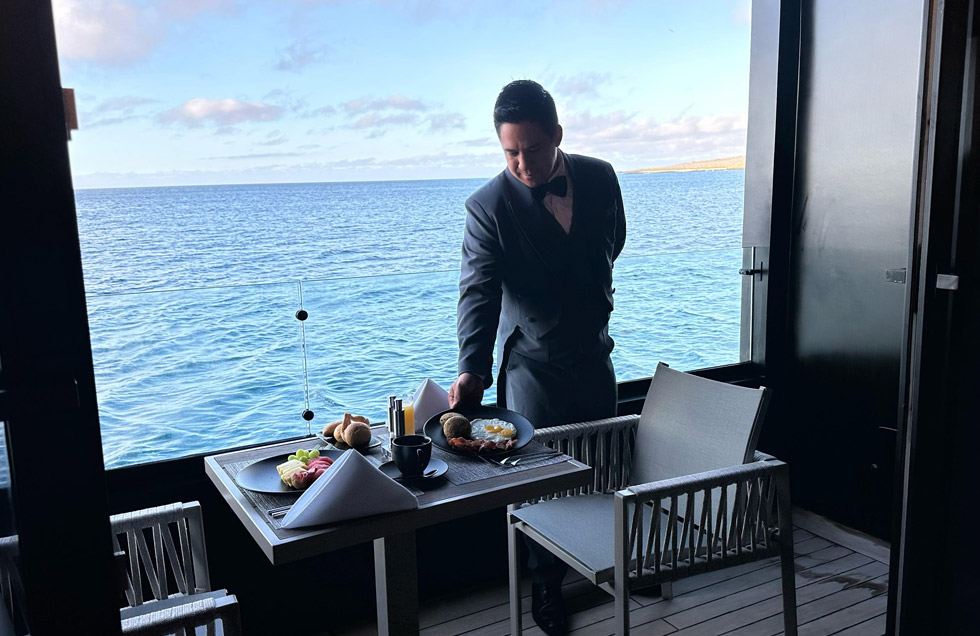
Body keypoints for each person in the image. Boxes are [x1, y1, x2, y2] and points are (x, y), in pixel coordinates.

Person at [449, 79, 626, 635]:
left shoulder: (600, 176)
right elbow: (478, 292)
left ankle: (616, 563)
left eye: (532, 148)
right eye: (510, 152)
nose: (523, 164)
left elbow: (613, 243)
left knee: (606, 464)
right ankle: (545, 584)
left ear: (558, 135)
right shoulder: (487, 206)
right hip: (531, 364)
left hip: (595, 355)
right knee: (538, 481)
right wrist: (472, 369)